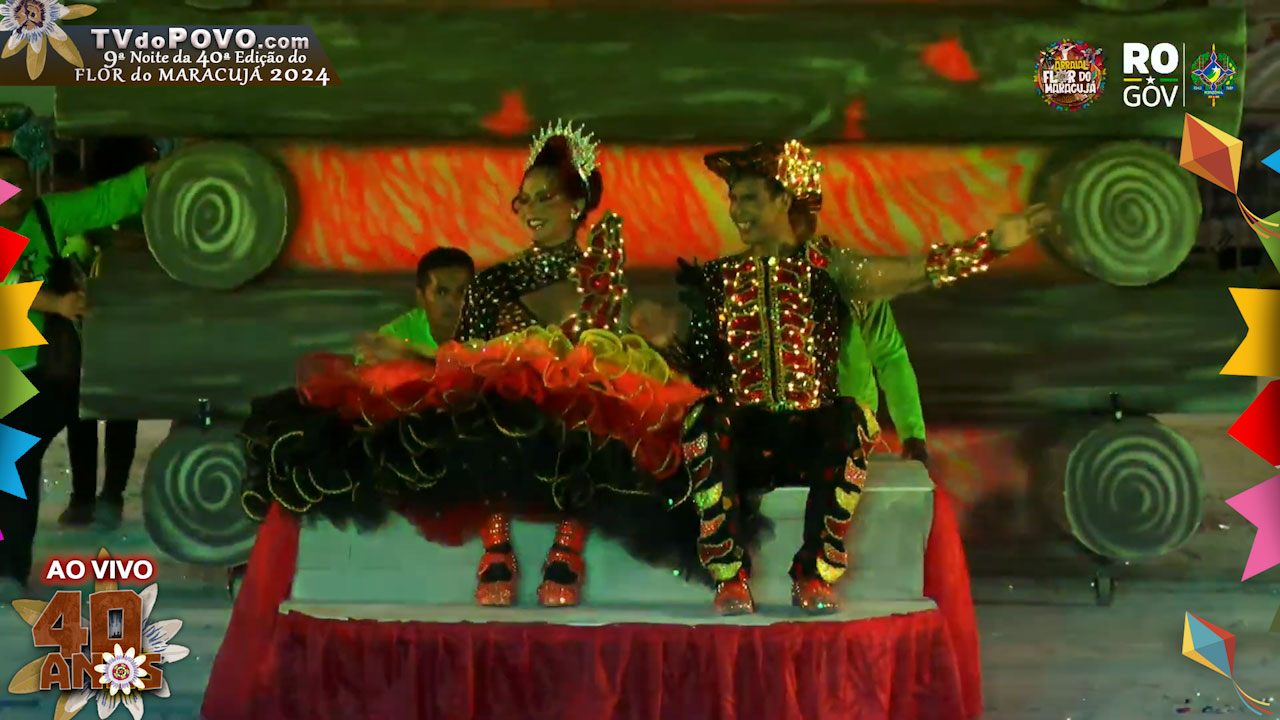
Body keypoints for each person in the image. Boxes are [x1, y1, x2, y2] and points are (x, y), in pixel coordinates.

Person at [238, 120, 706, 609]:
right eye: (523, 200)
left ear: (576, 204)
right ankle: (496, 541)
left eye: (543, 198)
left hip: (579, 410)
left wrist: (662, 339)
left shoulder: (603, 278)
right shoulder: (493, 283)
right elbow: (463, 363)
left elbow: (623, 354)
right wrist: (415, 359)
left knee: (606, 416)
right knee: (481, 411)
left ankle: (568, 543)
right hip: (508, 412)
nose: (530, 210)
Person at [633, 139, 1050, 615]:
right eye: (733, 199)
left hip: (810, 437)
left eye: (749, 198)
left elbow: (914, 273)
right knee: (703, 419)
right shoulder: (718, 280)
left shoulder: (830, 268)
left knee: (852, 421)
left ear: (783, 199)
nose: (736, 211)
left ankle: (814, 574)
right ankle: (729, 577)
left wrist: (991, 245)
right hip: (746, 440)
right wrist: (667, 341)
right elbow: (705, 369)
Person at [0, 148, 159, 599]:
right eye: (5, 184)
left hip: (44, 367)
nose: (17, 192)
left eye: (22, 180)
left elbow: (104, 201)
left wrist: (151, 175)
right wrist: (56, 303)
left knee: (14, 462)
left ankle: (9, 566)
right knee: (11, 465)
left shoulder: (46, 215)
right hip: (9, 368)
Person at [838, 299, 928, 464]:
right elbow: (890, 356)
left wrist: (912, 433)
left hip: (850, 423)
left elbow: (889, 356)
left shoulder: (858, 288)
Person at [355, 246, 474, 361]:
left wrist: (412, 356)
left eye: (462, 291)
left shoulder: (483, 328)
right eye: (442, 292)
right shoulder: (397, 336)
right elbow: (363, 363)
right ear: (421, 297)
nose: (453, 301)